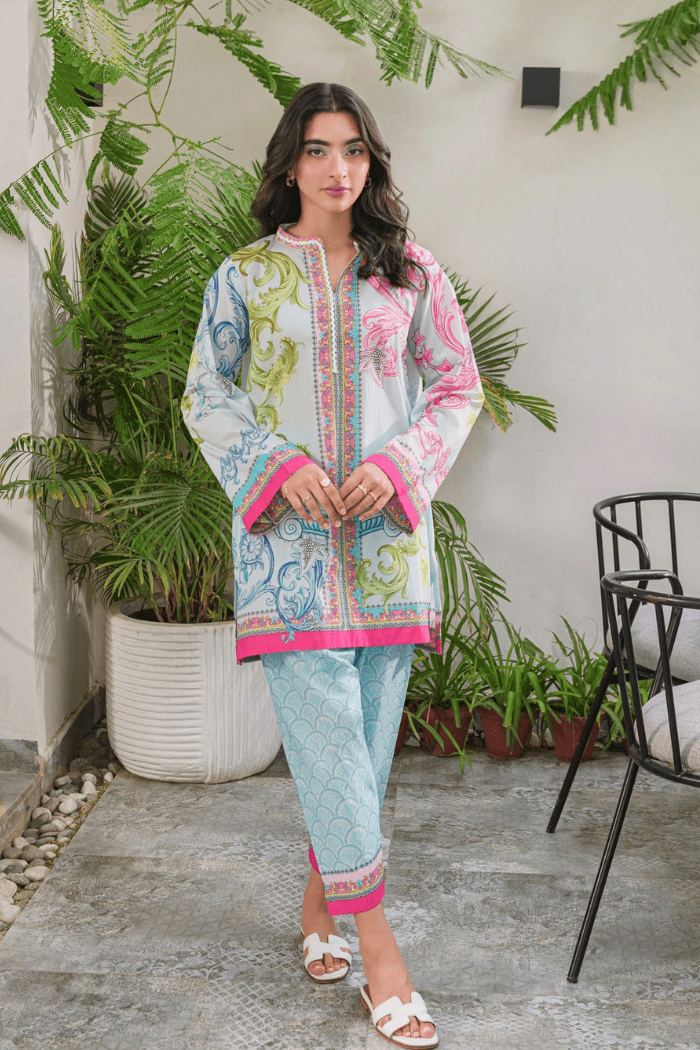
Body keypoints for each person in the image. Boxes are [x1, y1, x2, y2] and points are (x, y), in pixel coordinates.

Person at [181, 81, 483, 1049]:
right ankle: (382, 955)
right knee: (326, 740)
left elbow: (456, 386)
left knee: (357, 750)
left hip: (388, 552)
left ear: (371, 161)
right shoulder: (243, 278)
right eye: (317, 149)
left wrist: (399, 467)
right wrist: (278, 466)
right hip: (287, 554)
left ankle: (319, 910)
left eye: (353, 149)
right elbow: (204, 394)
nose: (337, 167)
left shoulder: (412, 273)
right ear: (287, 165)